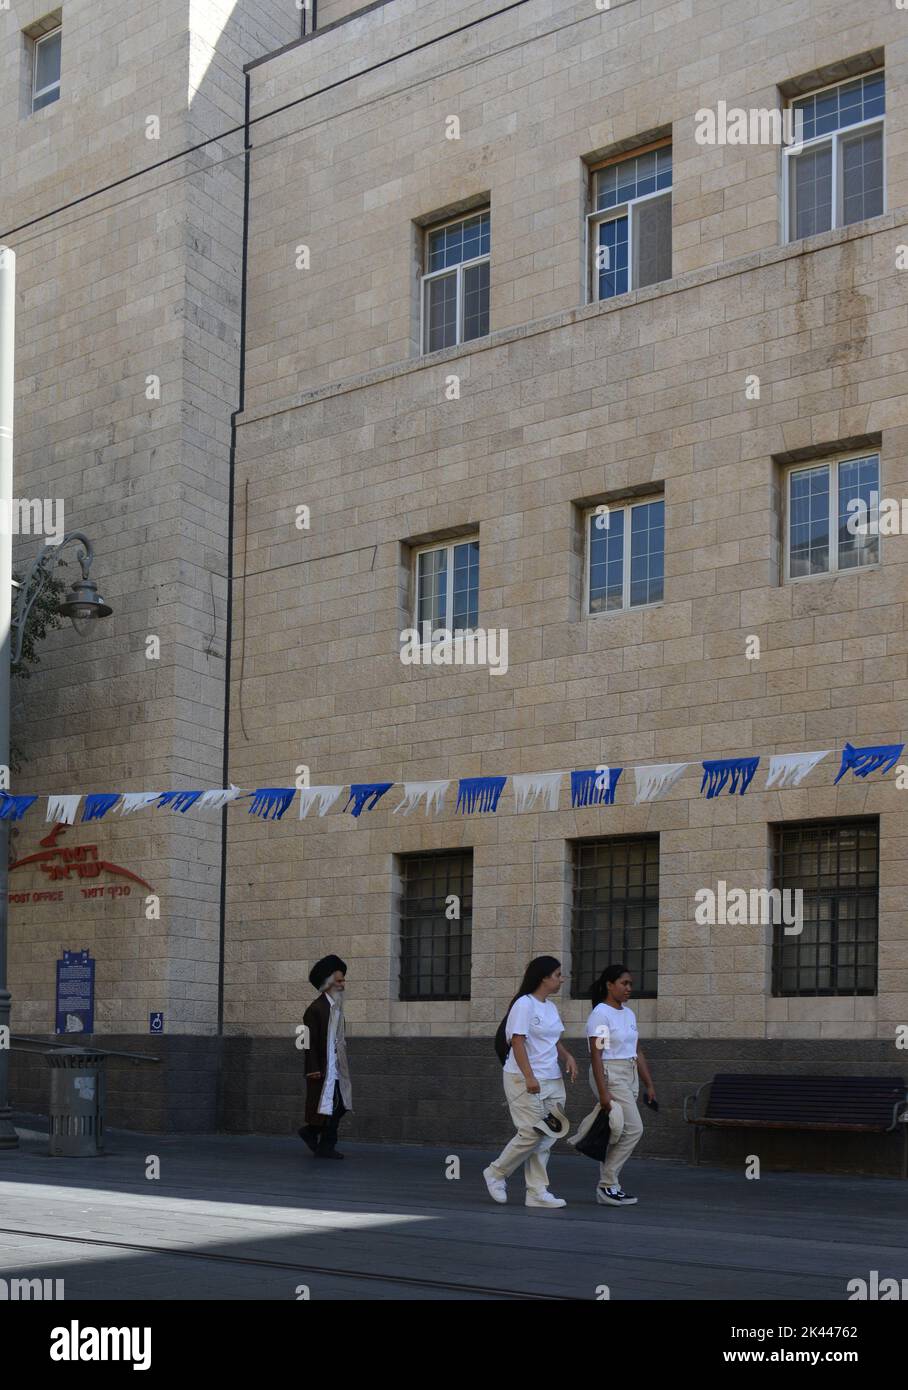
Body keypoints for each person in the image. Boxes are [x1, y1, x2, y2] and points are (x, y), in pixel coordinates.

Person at [483, 956, 578, 1208]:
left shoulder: (550, 1007)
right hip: (524, 1078)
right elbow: (517, 1041)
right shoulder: (524, 1005)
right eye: (558, 974)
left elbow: (552, 1040)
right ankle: (496, 1172)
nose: (561, 979)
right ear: (544, 977)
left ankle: (536, 1191)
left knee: (548, 1136)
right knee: (530, 1133)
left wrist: (567, 1056)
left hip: (552, 1078)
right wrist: (529, 1077)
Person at [576, 962, 655, 1206]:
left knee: (617, 1130)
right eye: (624, 983)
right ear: (610, 985)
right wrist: (603, 1093)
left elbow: (637, 1050)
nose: (629, 988)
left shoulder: (628, 1013)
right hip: (610, 1073)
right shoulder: (601, 1013)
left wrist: (648, 1084)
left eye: (630, 984)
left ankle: (609, 1187)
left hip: (629, 1073)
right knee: (634, 1129)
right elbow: (596, 1055)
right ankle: (607, 1184)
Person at [298, 954, 352, 1160]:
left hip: (336, 1068)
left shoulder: (337, 1009)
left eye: (343, 980)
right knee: (331, 1106)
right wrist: (312, 1069)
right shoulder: (315, 1010)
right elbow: (307, 1043)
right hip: (321, 1069)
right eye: (339, 981)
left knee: (339, 1106)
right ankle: (325, 1145)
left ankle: (312, 1133)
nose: (343, 984)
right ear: (327, 983)